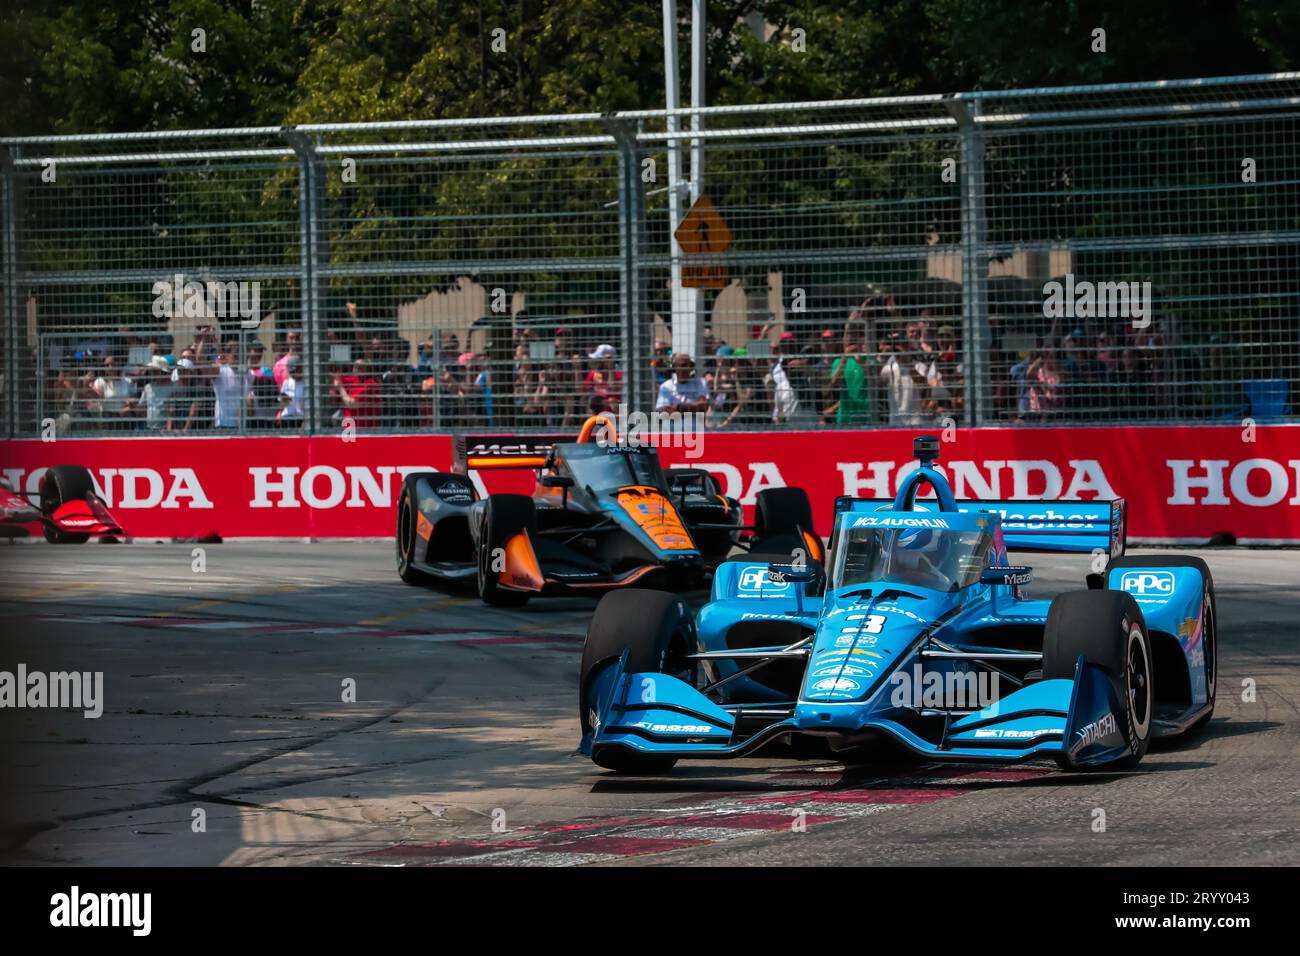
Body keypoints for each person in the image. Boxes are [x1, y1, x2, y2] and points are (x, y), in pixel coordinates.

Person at [825, 337, 871, 425]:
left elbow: (876, 382)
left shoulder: (870, 361)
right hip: (845, 418)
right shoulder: (838, 362)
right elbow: (834, 383)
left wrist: (862, 362)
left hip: (867, 418)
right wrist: (844, 359)